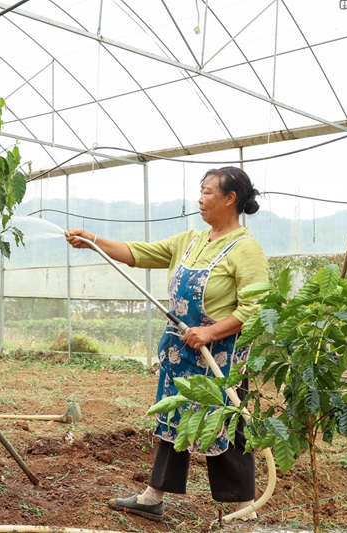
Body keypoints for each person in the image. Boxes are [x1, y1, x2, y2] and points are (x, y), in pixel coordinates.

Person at [66, 167, 268, 522]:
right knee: (174, 418)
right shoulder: (189, 241)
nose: (200, 198)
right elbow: (137, 253)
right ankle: (152, 497)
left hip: (219, 354)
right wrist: (94, 240)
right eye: (200, 191)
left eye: (207, 192)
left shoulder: (246, 249)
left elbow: (255, 307)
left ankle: (244, 511)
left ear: (230, 198)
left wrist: (211, 331)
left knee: (225, 421)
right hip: (180, 351)